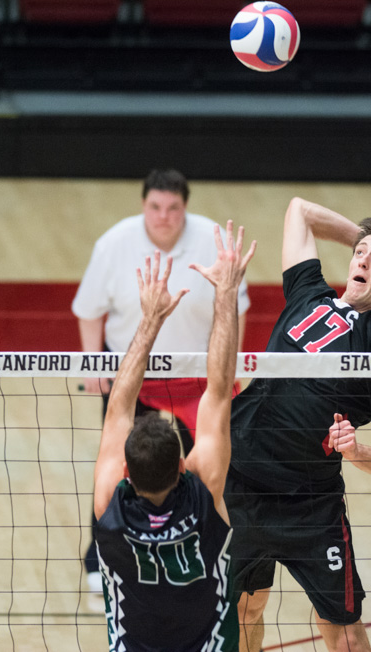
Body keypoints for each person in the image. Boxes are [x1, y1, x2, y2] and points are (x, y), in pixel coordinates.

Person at [226, 197, 371, 652]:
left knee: (345, 634)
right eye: (360, 252)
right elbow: (299, 210)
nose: (362, 259)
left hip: (310, 508)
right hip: (241, 486)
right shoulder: (309, 293)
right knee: (244, 612)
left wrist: (357, 451)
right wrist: (367, 240)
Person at [73, 168, 251, 590]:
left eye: (173, 208)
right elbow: (88, 310)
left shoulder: (210, 239)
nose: (164, 216)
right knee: (119, 465)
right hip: (134, 374)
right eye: (155, 206)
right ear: (143, 205)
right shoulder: (114, 243)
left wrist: (232, 366)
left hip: (197, 376)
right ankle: (100, 557)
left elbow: (237, 308)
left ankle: (203, 546)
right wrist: (93, 364)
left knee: (208, 469)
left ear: (185, 207)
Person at [92, 221, 256, 651]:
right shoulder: (204, 490)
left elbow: (117, 409)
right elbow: (219, 389)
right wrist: (226, 293)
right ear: (183, 465)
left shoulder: (110, 504)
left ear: (126, 471)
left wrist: (149, 319)